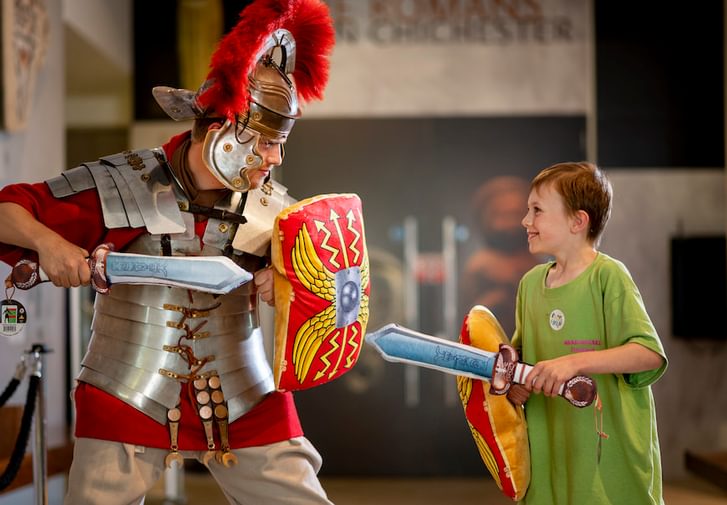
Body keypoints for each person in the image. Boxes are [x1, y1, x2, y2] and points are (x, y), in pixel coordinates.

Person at [0, 0, 337, 504]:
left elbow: (324, 294)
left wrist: (285, 283)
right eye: (265, 142)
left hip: (243, 390)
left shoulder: (275, 211)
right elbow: (8, 209)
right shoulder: (121, 181)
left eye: (280, 143)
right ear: (222, 131)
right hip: (125, 385)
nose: (276, 158)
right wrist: (50, 244)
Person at [506, 161, 668, 504]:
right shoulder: (529, 285)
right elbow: (521, 361)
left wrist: (573, 363)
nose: (526, 221)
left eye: (536, 210)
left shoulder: (609, 276)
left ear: (577, 221)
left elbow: (648, 354)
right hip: (549, 450)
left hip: (606, 457)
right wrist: (516, 383)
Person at [460, 176, 539, 336]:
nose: (510, 223)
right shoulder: (480, 266)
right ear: (486, 219)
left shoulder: (538, 260)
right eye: (501, 216)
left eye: (516, 214)